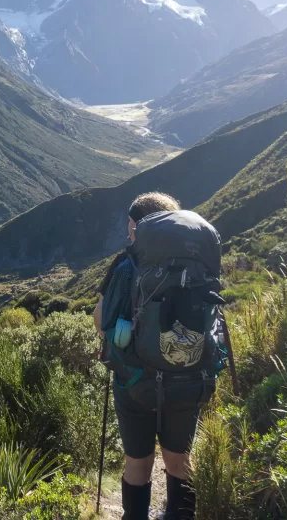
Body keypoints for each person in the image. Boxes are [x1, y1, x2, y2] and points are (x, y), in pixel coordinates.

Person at [93, 192, 203, 520]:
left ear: (141, 228)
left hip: (134, 381)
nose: (129, 234)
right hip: (187, 377)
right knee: (180, 462)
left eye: (131, 227)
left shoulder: (127, 265)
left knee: (137, 464)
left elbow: (102, 321)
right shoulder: (197, 261)